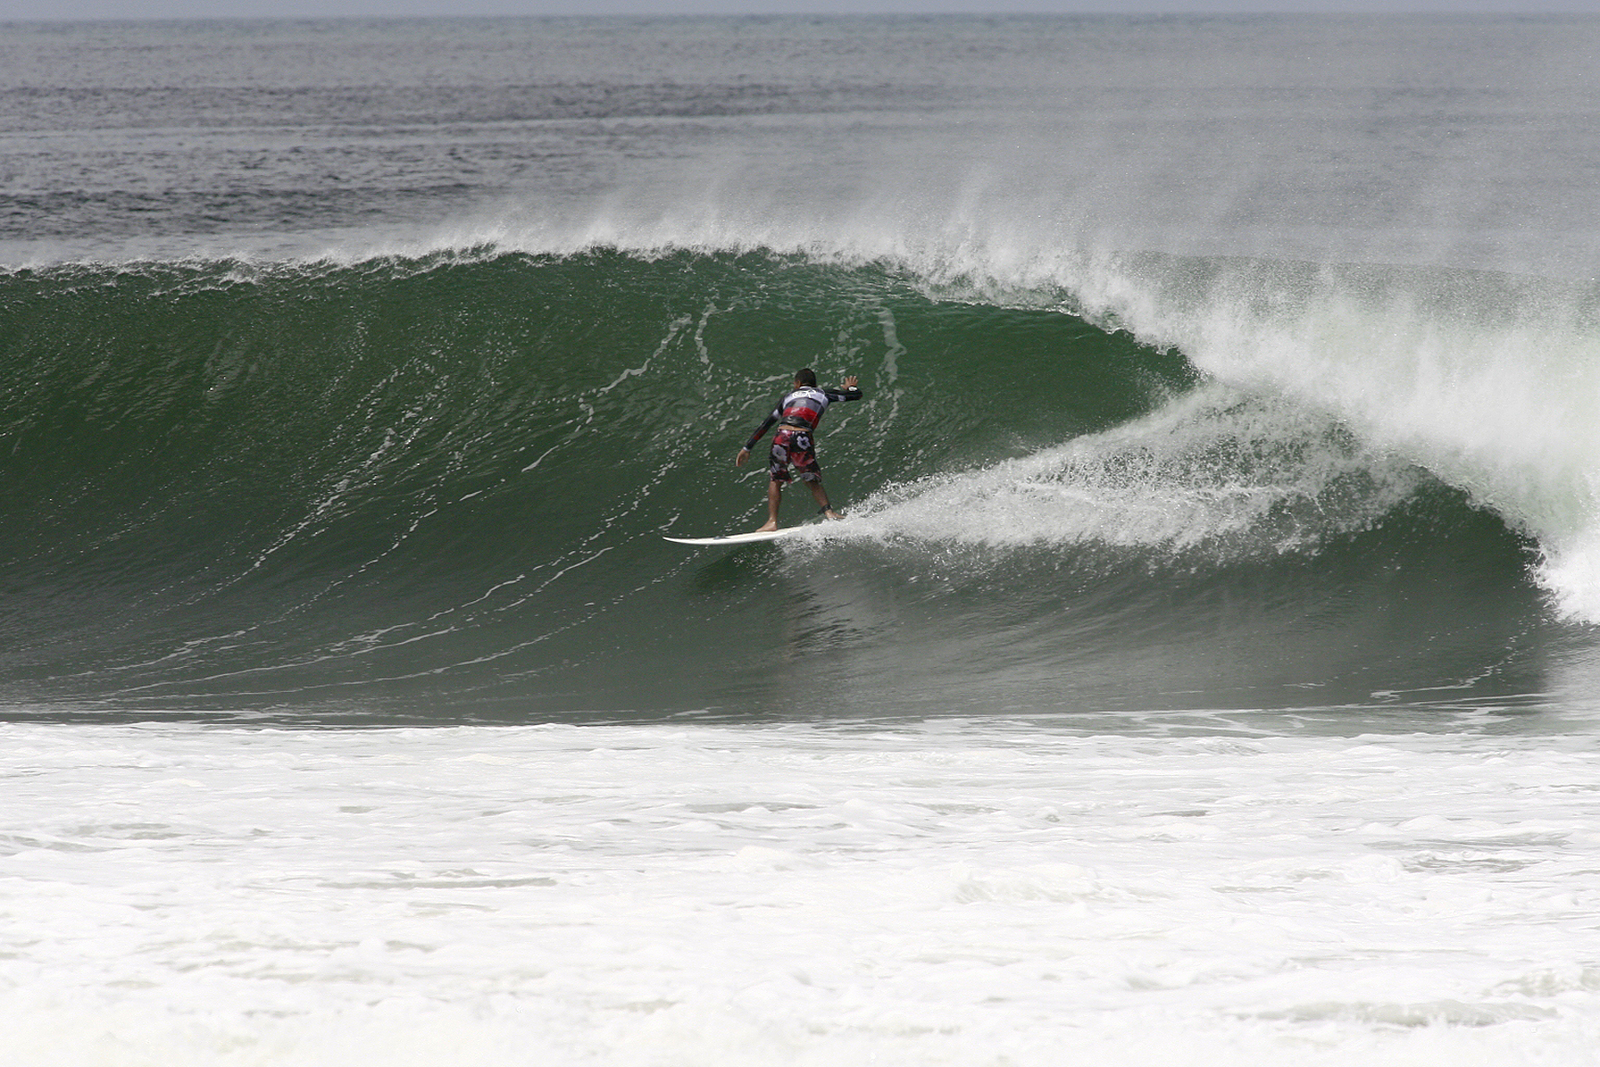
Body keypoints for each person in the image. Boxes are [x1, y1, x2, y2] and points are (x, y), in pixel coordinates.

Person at [735, 368, 863, 532]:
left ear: (797, 383)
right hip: (802, 436)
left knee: (776, 480)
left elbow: (768, 422)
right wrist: (849, 388)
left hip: (782, 436)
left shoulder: (788, 397)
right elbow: (856, 395)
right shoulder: (824, 394)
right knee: (811, 479)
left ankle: (772, 522)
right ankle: (829, 513)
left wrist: (747, 447)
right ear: (814, 384)